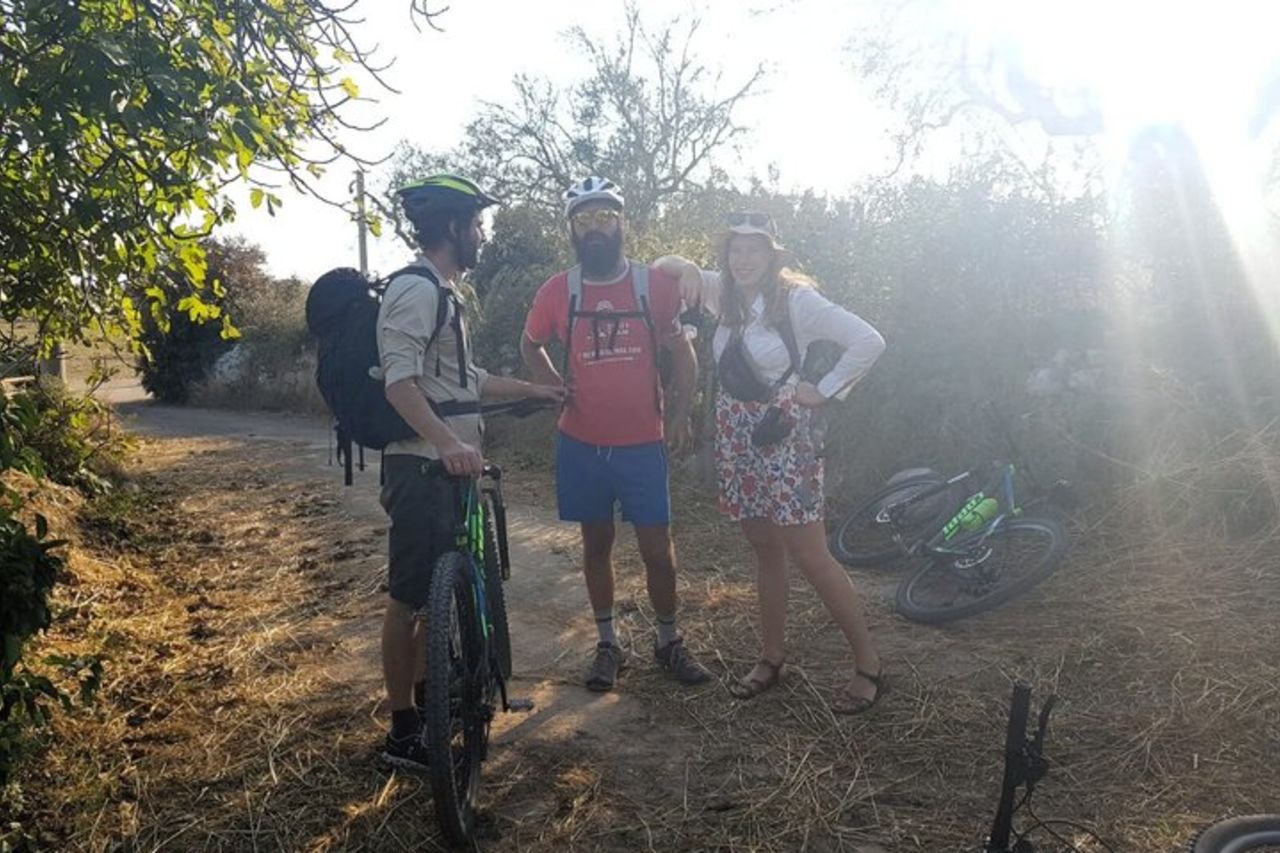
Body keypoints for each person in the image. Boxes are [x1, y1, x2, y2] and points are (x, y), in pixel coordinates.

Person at [655, 212, 888, 713]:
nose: (743, 259)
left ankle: (868, 663)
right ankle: (772, 656)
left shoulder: (797, 300)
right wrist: (689, 269)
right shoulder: (721, 292)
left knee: (811, 554)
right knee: (764, 549)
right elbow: (661, 265)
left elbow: (869, 340)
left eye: (754, 249)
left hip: (784, 435)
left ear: (772, 255)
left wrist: (824, 390)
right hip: (738, 434)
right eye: (735, 249)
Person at [377, 174, 565, 771]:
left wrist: (534, 389)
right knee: (408, 599)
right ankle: (402, 731)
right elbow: (399, 383)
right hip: (421, 467)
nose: (483, 235)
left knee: (435, 601)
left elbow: (467, 382)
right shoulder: (415, 291)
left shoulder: (446, 295)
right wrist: (447, 443)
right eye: (477, 224)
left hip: (451, 465)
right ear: (454, 227)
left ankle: (436, 704)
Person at [520, 176, 712, 692]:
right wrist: (552, 386)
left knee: (658, 550)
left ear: (622, 223)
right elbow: (530, 342)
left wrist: (679, 413)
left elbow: (683, 353)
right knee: (596, 543)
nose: (596, 228)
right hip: (581, 442)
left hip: (642, 444)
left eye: (605, 217)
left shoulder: (654, 285)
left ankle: (668, 641)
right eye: (584, 220)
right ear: (571, 230)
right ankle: (608, 644)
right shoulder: (558, 290)